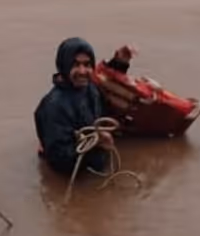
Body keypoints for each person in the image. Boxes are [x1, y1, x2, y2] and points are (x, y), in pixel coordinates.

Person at [34, 38, 134, 175]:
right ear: (64, 66)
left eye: (87, 65)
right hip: (79, 174)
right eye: (76, 65)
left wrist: (119, 63)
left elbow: (107, 87)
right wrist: (96, 143)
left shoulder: (90, 87)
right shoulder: (53, 107)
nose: (82, 71)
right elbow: (59, 161)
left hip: (98, 161)